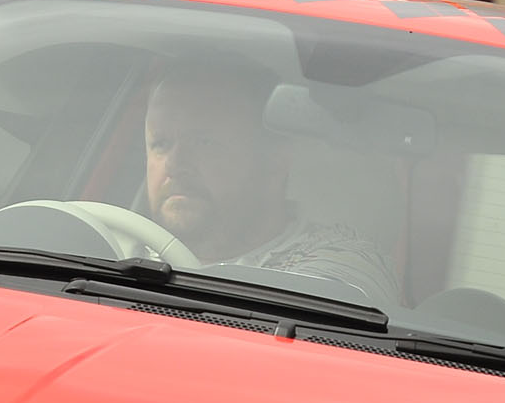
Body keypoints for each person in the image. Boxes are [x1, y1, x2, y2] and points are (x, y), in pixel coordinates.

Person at [142, 60, 398, 308]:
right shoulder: (118, 255)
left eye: (203, 142)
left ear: (276, 160)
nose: (174, 164)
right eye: (160, 144)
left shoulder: (341, 267)